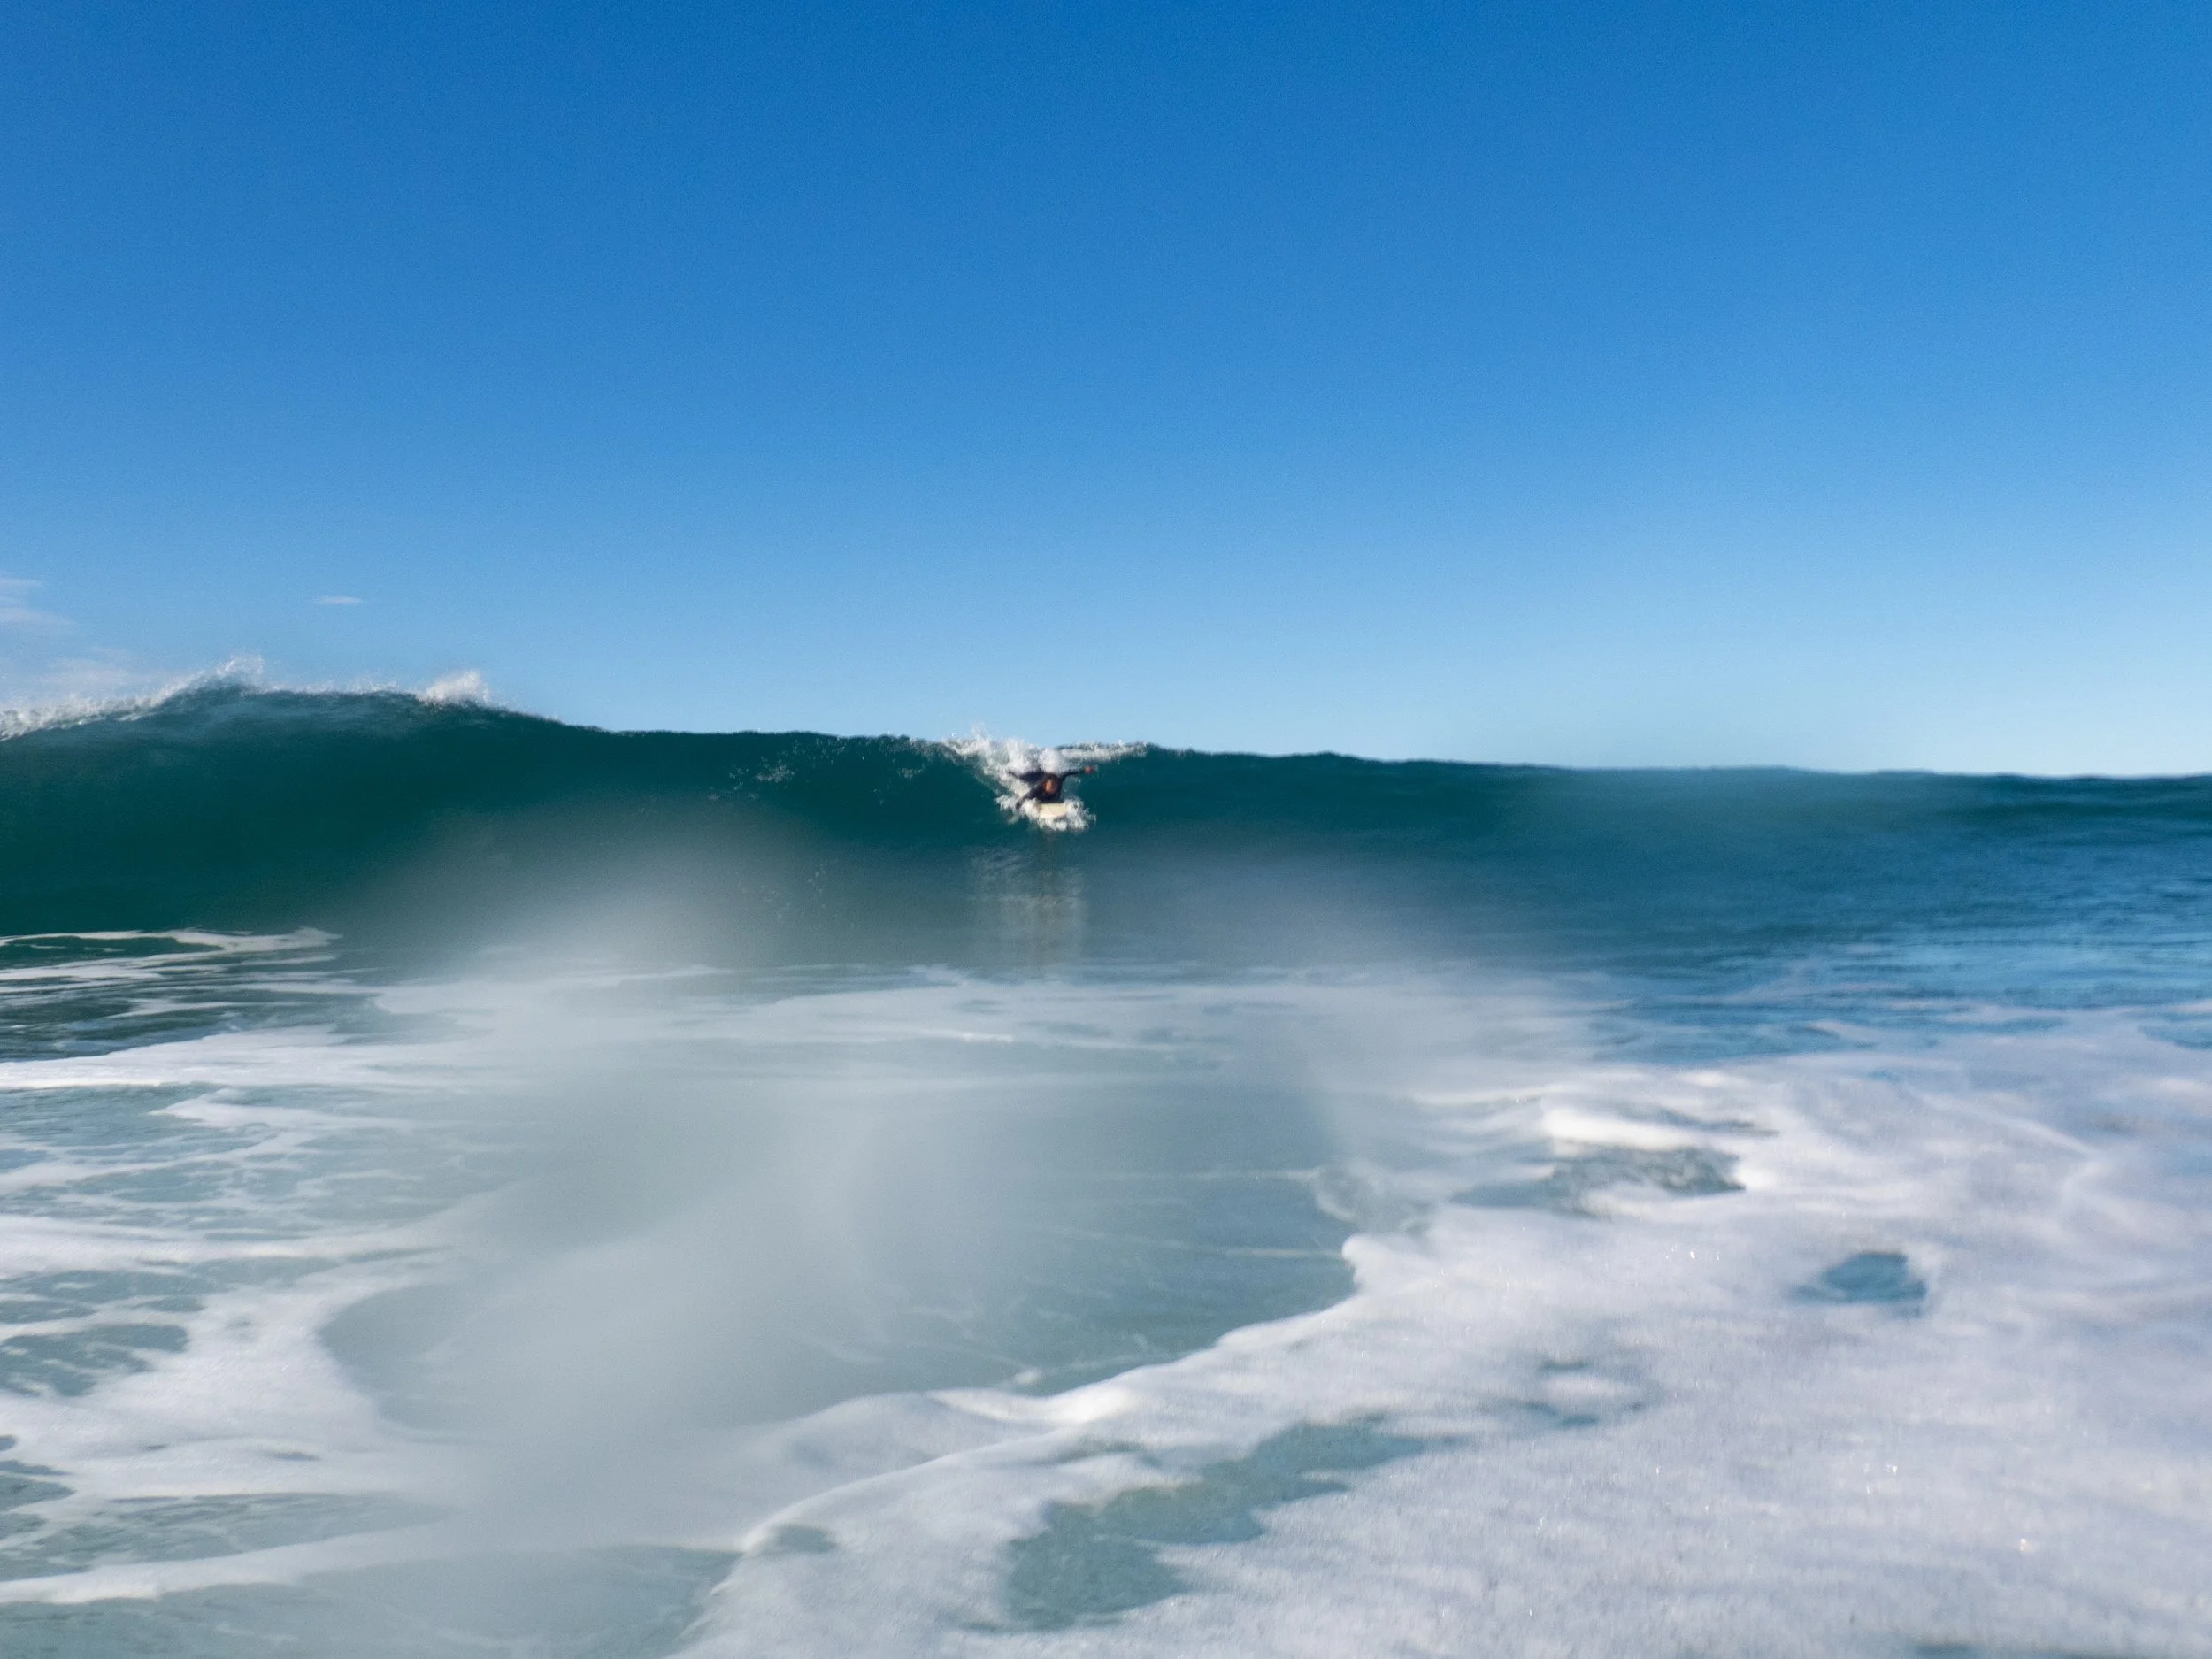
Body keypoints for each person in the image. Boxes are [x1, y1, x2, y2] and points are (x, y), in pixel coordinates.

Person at [1017, 764, 1094, 805]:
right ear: (1045, 786)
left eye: (1055, 786)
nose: (1054, 789)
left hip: (1049, 776)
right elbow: (1025, 798)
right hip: (1037, 776)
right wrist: (1018, 805)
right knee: (1021, 777)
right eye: (1051, 787)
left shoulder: (1059, 781)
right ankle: (1009, 772)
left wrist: (1084, 770)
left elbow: (1068, 773)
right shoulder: (1037, 788)